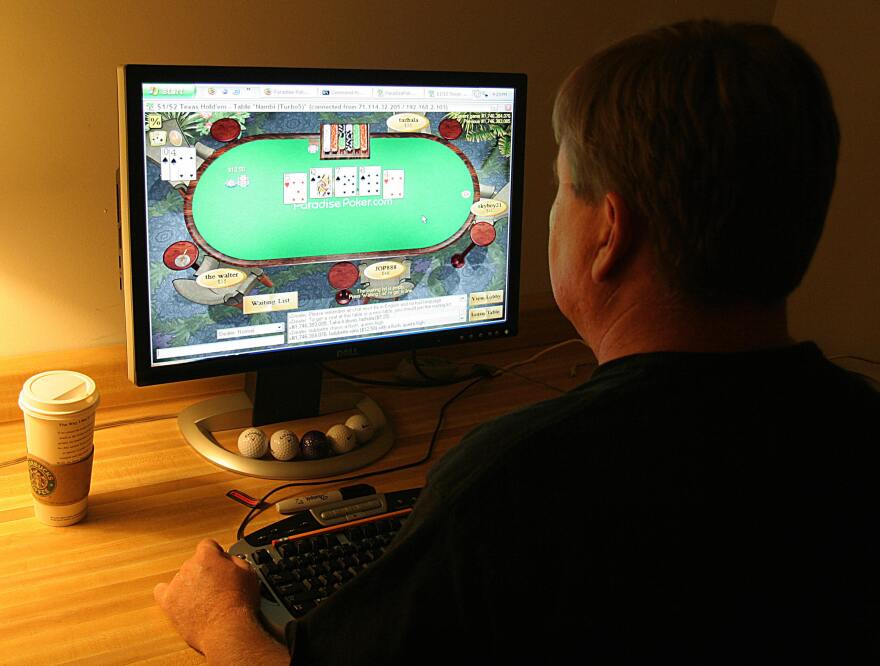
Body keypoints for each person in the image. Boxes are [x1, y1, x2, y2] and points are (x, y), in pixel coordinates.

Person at [154, 20, 879, 664]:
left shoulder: (513, 485)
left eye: (565, 187)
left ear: (608, 233)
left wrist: (220, 622)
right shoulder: (861, 427)